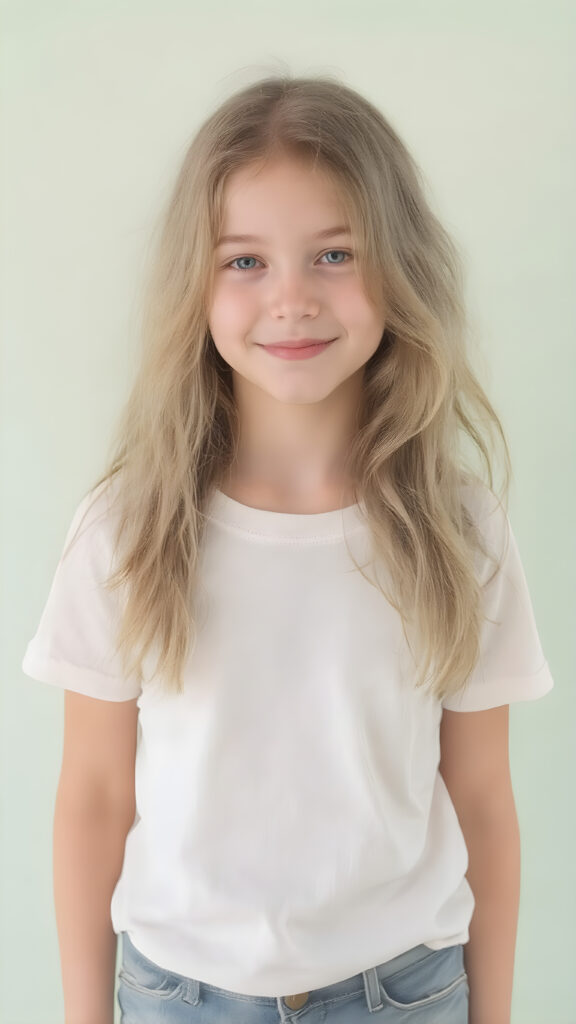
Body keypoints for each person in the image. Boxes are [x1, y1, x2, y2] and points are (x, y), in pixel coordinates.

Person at [22, 72, 554, 1024]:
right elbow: (94, 796)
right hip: (177, 996)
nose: (293, 299)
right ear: (196, 283)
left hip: (405, 993)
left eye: (335, 254)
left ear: (400, 267)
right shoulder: (129, 529)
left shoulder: (458, 528)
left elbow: (481, 797)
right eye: (245, 261)